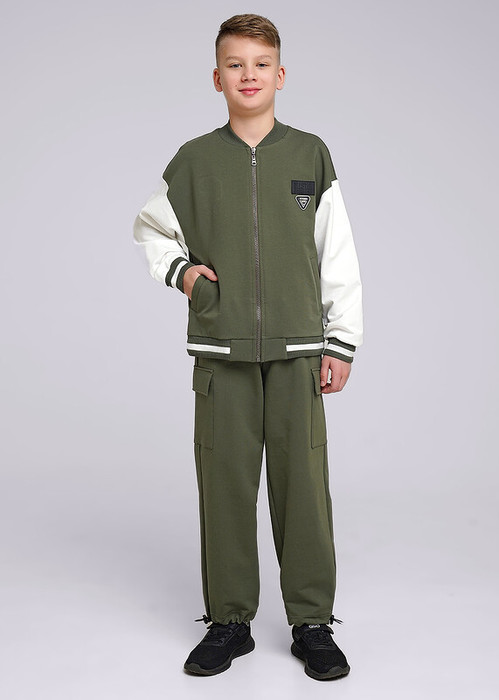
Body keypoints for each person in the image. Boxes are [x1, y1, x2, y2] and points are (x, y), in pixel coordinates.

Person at [133, 13, 363, 681]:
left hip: (299, 351)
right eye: (235, 65)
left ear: (280, 75)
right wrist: (184, 275)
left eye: (260, 64)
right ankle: (229, 622)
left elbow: (337, 252)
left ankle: (311, 622)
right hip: (221, 353)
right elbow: (151, 228)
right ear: (217, 78)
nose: (248, 75)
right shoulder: (194, 160)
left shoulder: (310, 155)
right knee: (225, 487)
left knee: (304, 490)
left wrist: (341, 341)